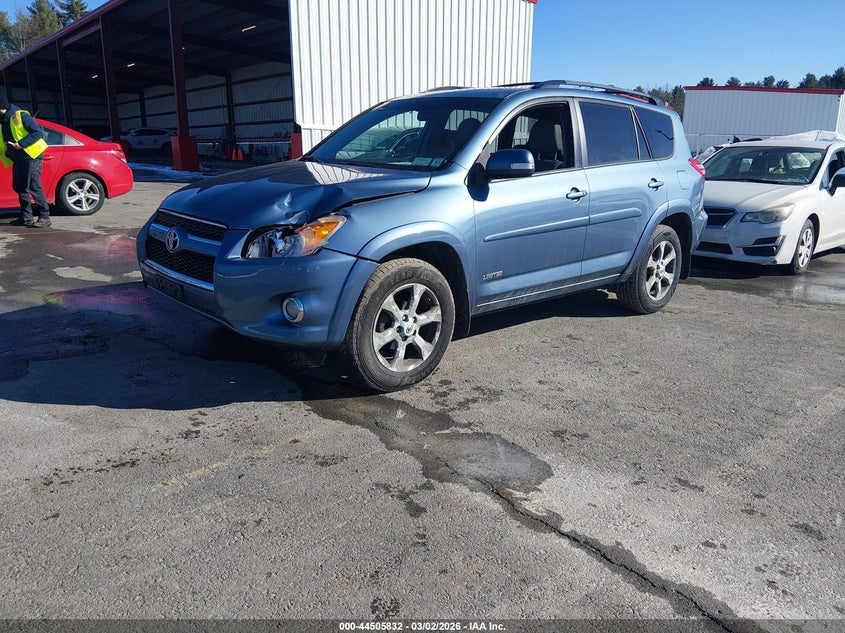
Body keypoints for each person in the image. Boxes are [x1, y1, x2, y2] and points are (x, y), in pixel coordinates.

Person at [0, 90, 51, 228]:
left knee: (33, 187)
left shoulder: (19, 115)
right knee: (20, 187)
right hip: (18, 159)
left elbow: (37, 133)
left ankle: (44, 217)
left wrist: (21, 144)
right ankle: (26, 217)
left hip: (31, 157)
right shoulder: (2, 122)